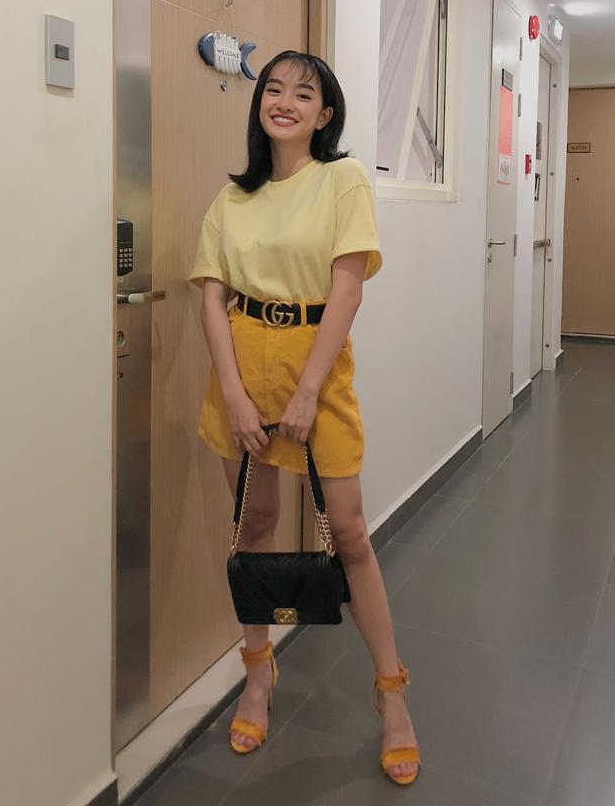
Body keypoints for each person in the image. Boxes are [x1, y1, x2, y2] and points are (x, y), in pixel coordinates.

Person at [189, 50, 420, 786]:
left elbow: (347, 291)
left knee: (349, 534)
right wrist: (232, 392)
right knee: (253, 526)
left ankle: (391, 693)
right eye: (273, 88)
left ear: (325, 115)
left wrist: (308, 391)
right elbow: (211, 297)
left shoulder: (341, 181)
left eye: (303, 92)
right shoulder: (232, 199)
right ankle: (258, 675)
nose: (284, 100)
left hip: (313, 368)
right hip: (242, 367)